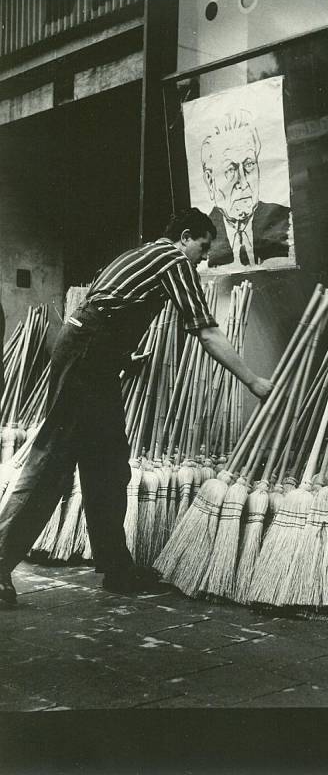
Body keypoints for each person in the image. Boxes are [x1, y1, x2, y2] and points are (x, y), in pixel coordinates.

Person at [0, 208, 273, 605]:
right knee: (52, 463)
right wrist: (253, 380)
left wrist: (120, 357)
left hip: (91, 355)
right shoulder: (172, 260)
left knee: (110, 464)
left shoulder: (139, 254)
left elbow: (105, 304)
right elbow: (207, 331)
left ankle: (117, 568)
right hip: (85, 359)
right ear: (184, 237)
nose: (202, 257)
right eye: (202, 247)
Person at [201, 109, 291, 268]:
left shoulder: (285, 221)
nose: (243, 183)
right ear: (210, 181)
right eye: (230, 169)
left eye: (249, 165)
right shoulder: (201, 240)